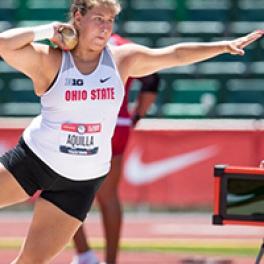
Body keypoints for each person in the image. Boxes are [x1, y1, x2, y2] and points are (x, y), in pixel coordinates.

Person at [0, 0, 262, 263]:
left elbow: (175, 54)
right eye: (98, 19)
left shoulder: (122, 60)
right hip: (34, 162)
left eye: (110, 21)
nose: (105, 28)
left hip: (80, 182)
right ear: (77, 18)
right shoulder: (52, 60)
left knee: (31, 261)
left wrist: (223, 47)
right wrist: (50, 30)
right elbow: (4, 43)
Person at [71, 33, 160, 264]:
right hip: (117, 124)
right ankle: (110, 261)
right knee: (108, 197)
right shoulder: (125, 47)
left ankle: (85, 256)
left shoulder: (76, 42)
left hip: (81, 125)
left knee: (64, 192)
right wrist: (137, 114)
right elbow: (152, 79)